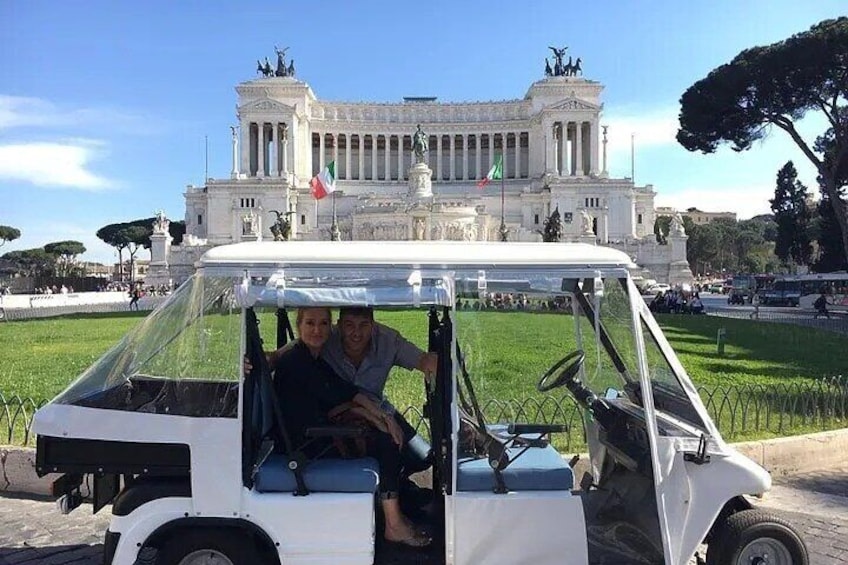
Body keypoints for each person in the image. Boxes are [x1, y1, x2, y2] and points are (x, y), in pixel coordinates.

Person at [272, 307, 431, 548]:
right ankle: (393, 524)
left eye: (323, 324)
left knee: (407, 448)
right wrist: (377, 419)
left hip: (320, 430)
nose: (317, 330)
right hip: (307, 444)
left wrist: (382, 416)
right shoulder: (297, 360)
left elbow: (347, 392)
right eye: (310, 324)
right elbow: (336, 396)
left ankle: (400, 499)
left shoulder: (312, 357)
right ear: (299, 326)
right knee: (385, 443)